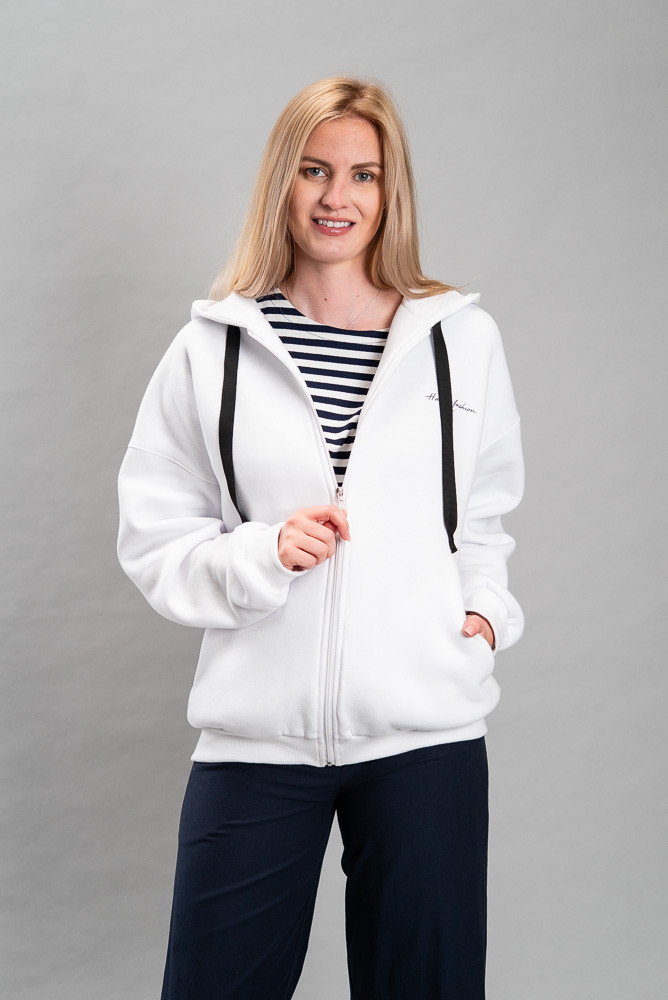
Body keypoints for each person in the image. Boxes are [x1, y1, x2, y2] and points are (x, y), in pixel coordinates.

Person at [117, 76, 524, 1000]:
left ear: (390, 190)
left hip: (425, 734)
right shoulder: (213, 347)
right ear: (282, 183)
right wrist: (261, 555)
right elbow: (154, 537)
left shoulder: (462, 341)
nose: (337, 197)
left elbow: (482, 517)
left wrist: (483, 613)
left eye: (362, 175)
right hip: (256, 739)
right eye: (314, 171)